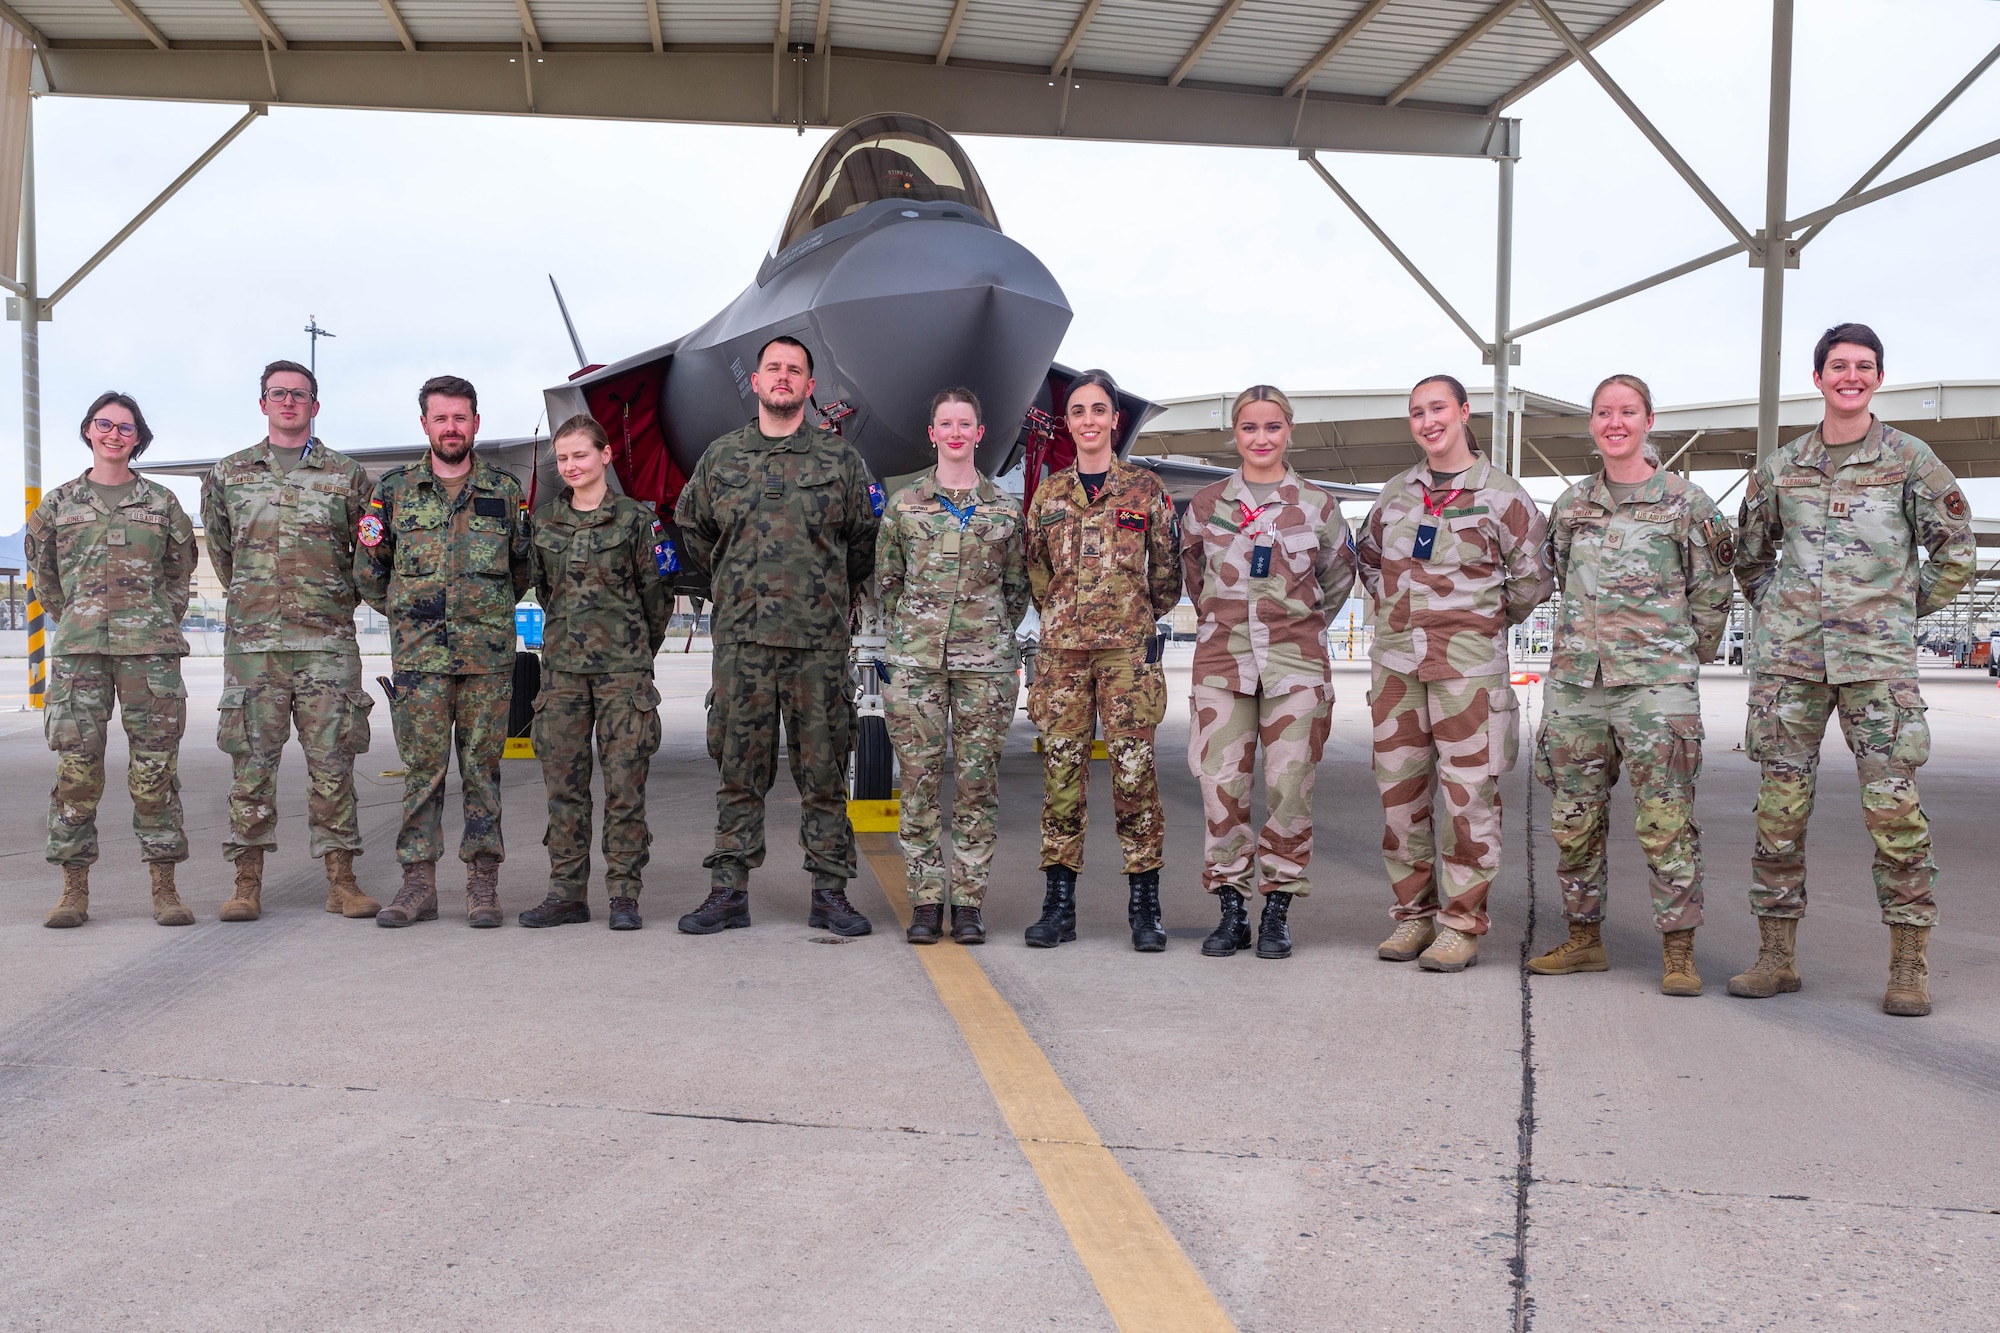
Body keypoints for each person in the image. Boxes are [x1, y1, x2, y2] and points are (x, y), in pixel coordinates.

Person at [1730, 323, 1975, 1017]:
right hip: (1793, 665)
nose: (1851, 376)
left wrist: (1895, 609)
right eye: (1839, 366)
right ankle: (1776, 956)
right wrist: (1781, 609)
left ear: (1877, 378)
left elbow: (1956, 551)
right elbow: (1751, 554)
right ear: (1818, 378)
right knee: (1779, 812)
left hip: (1877, 668)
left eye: (1864, 367)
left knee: (1894, 813)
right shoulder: (1782, 468)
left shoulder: (1910, 460)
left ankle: (1908, 963)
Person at [1527, 374, 1734, 995]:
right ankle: (1585, 940)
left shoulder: (1686, 503)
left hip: (1656, 689)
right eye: (1603, 412)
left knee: (1666, 820)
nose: (1614, 422)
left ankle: (1678, 952)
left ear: (1649, 421)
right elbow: (1560, 576)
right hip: (1577, 688)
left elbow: (1713, 592)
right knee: (1574, 818)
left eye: (1627, 412)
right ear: (1592, 424)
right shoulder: (1570, 506)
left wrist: (1673, 660)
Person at [673, 335, 882, 937]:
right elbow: (694, 529)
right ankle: (728, 890)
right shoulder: (721, 458)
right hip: (743, 644)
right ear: (757, 383)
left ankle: (830, 892)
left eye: (795, 370)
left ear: (810, 388)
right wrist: (739, 581)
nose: (783, 377)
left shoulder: (840, 462)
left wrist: (820, 592)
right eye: (774, 369)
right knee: (739, 770)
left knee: (823, 772)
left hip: (817, 646)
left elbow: (862, 545)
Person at [1359, 374, 1551, 972]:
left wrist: (1477, 624)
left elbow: (1532, 581)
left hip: (1468, 672)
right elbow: (1368, 561)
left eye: (1438, 408)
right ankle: (1413, 917)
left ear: (1465, 412)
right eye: (1416, 412)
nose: (1428, 421)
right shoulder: (1395, 494)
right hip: (1397, 670)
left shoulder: (1503, 496)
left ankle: (1461, 925)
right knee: (1401, 798)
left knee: (1469, 800)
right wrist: (1399, 622)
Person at [1180, 385, 1355, 959]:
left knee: (1290, 788)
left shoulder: (1317, 506)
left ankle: (1277, 908)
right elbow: (1193, 578)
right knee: (1220, 789)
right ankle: (1231, 909)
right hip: (1221, 667)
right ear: (1235, 434)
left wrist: (1297, 626)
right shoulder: (1206, 506)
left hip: (1295, 668)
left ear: (1289, 432)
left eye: (1272, 427)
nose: (1261, 438)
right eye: (1250, 428)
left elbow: (1336, 579)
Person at [200, 360, 379, 923]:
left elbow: (365, 557)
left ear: (315, 405)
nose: (288, 402)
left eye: (299, 395)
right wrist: (259, 603)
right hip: (255, 648)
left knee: (334, 765)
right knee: (251, 767)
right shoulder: (228, 474)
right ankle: (246, 883)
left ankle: (342, 881)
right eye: (277, 394)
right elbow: (224, 553)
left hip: (327, 643)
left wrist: (326, 605)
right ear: (262, 404)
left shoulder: (347, 476)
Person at [355, 375, 534, 929]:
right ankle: (418, 885)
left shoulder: (505, 489)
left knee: (483, 770)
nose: (451, 427)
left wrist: (478, 614)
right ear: (425, 424)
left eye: (461, 417)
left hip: (487, 659)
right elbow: (370, 571)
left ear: (476, 423)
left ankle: (482, 884)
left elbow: (522, 566)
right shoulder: (394, 491)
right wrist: (414, 617)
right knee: (422, 772)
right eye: (441, 418)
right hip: (420, 663)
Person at [1023, 370, 1181, 951]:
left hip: (1126, 655)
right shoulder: (1050, 495)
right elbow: (1037, 569)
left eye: (1099, 410)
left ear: (1115, 420)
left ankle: (1145, 906)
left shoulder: (1146, 489)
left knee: (1134, 775)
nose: (1088, 421)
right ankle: (1058, 905)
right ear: (1069, 423)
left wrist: (1130, 616)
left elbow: (1167, 574)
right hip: (1063, 655)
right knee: (1061, 777)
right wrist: (1068, 614)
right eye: (1078, 412)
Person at [30, 393, 198, 928]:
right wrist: (80, 617)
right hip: (80, 655)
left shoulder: (162, 501)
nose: (114, 434)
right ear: (87, 431)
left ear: (138, 438)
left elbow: (179, 574)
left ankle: (165, 889)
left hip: (149, 656)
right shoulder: (57, 505)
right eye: (104, 424)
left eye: (125, 428)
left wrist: (154, 619)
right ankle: (74, 891)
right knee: (77, 773)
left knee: (154, 773)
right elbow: (46, 581)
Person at [877, 388, 1031, 945]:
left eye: (966, 423)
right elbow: (888, 582)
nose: (957, 432)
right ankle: (924, 900)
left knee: (976, 785)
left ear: (980, 433)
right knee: (917, 782)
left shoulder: (1003, 509)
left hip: (985, 667)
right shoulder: (905, 504)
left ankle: (967, 903)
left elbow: (1016, 589)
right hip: (916, 665)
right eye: (947, 423)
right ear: (934, 433)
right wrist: (915, 636)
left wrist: (983, 631)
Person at [518, 414, 674, 931]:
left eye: (580, 455)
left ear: (605, 456)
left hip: (622, 675)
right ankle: (566, 893)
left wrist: (632, 650)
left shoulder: (636, 521)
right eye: (562, 458)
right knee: (563, 786)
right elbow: (544, 591)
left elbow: (657, 598)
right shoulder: (543, 523)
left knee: (626, 785)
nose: (571, 466)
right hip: (561, 675)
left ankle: (624, 895)